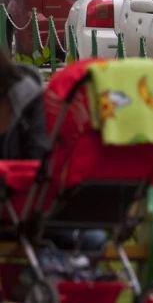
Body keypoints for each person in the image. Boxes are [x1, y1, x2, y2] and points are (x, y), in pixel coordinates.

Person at [0, 49, 105, 254]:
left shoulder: (28, 100)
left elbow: (41, 160)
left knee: (90, 239)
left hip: (27, 207)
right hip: (20, 208)